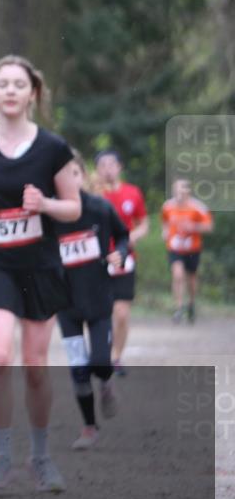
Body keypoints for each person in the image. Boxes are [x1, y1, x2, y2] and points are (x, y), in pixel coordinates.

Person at [0, 54, 81, 493]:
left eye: (19, 84)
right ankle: (0, 457)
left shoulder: (53, 148)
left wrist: (45, 205)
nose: (10, 91)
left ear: (33, 93)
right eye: (2, 84)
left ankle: (41, 457)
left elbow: (75, 206)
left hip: (39, 263)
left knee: (34, 365)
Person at [55, 150, 130, 449]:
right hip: (65, 304)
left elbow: (123, 237)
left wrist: (119, 254)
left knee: (100, 361)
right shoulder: (50, 216)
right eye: (61, 177)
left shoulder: (99, 208)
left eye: (74, 174)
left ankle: (107, 384)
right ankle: (89, 427)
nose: (69, 181)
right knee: (78, 368)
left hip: (98, 297)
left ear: (83, 176)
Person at [95, 150, 148, 376]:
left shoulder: (132, 193)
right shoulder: (92, 195)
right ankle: (100, 354)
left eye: (111, 164)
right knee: (100, 312)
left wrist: (131, 237)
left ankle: (116, 356)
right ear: (97, 170)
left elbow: (143, 223)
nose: (107, 169)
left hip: (125, 260)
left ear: (119, 167)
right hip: (97, 260)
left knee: (122, 313)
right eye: (103, 165)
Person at [162, 179, 213, 324]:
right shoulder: (167, 206)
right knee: (177, 275)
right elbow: (165, 222)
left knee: (191, 279)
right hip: (175, 247)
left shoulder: (198, 207)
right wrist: (165, 232)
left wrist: (193, 227)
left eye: (183, 190)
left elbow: (209, 227)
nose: (180, 193)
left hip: (192, 248)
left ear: (188, 191)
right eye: (177, 190)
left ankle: (191, 303)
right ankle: (178, 308)